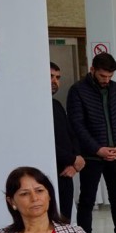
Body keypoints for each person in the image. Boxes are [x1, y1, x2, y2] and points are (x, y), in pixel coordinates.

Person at [68, 52, 116, 233]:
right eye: (102, 76)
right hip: (91, 157)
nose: (106, 80)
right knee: (87, 200)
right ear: (92, 70)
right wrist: (97, 149)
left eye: (110, 76)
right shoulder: (78, 90)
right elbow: (76, 125)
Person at [50, 63, 83, 220]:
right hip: (48, 173)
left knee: (64, 221)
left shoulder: (57, 105)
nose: (54, 81)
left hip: (65, 172)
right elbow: (46, 144)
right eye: (50, 76)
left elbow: (71, 134)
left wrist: (75, 161)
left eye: (58, 77)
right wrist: (73, 159)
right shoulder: (34, 107)